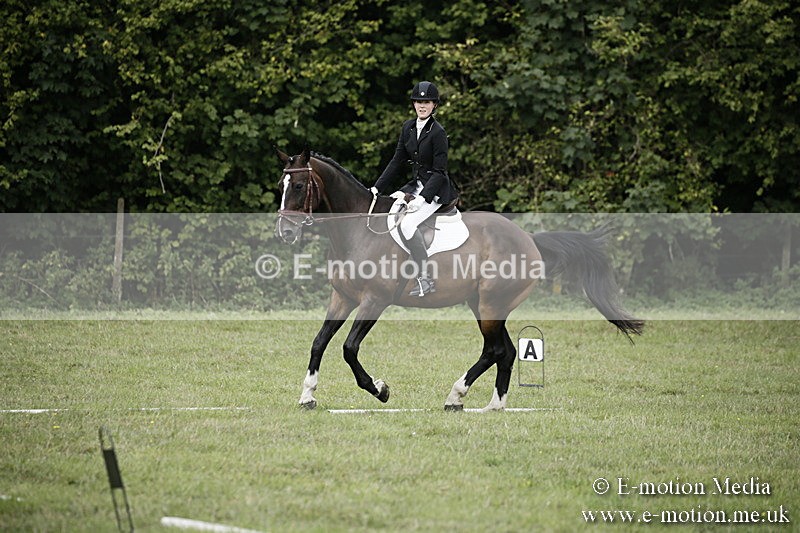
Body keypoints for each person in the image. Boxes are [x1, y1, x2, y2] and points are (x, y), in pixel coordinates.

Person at [370, 81, 458, 297]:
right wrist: (376, 187)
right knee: (390, 213)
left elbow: (439, 172)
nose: (422, 105)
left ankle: (425, 279)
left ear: (434, 105)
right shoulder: (408, 127)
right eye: (418, 101)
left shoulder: (438, 132)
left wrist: (424, 198)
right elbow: (397, 161)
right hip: (415, 185)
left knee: (408, 224)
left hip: (435, 189)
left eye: (426, 102)